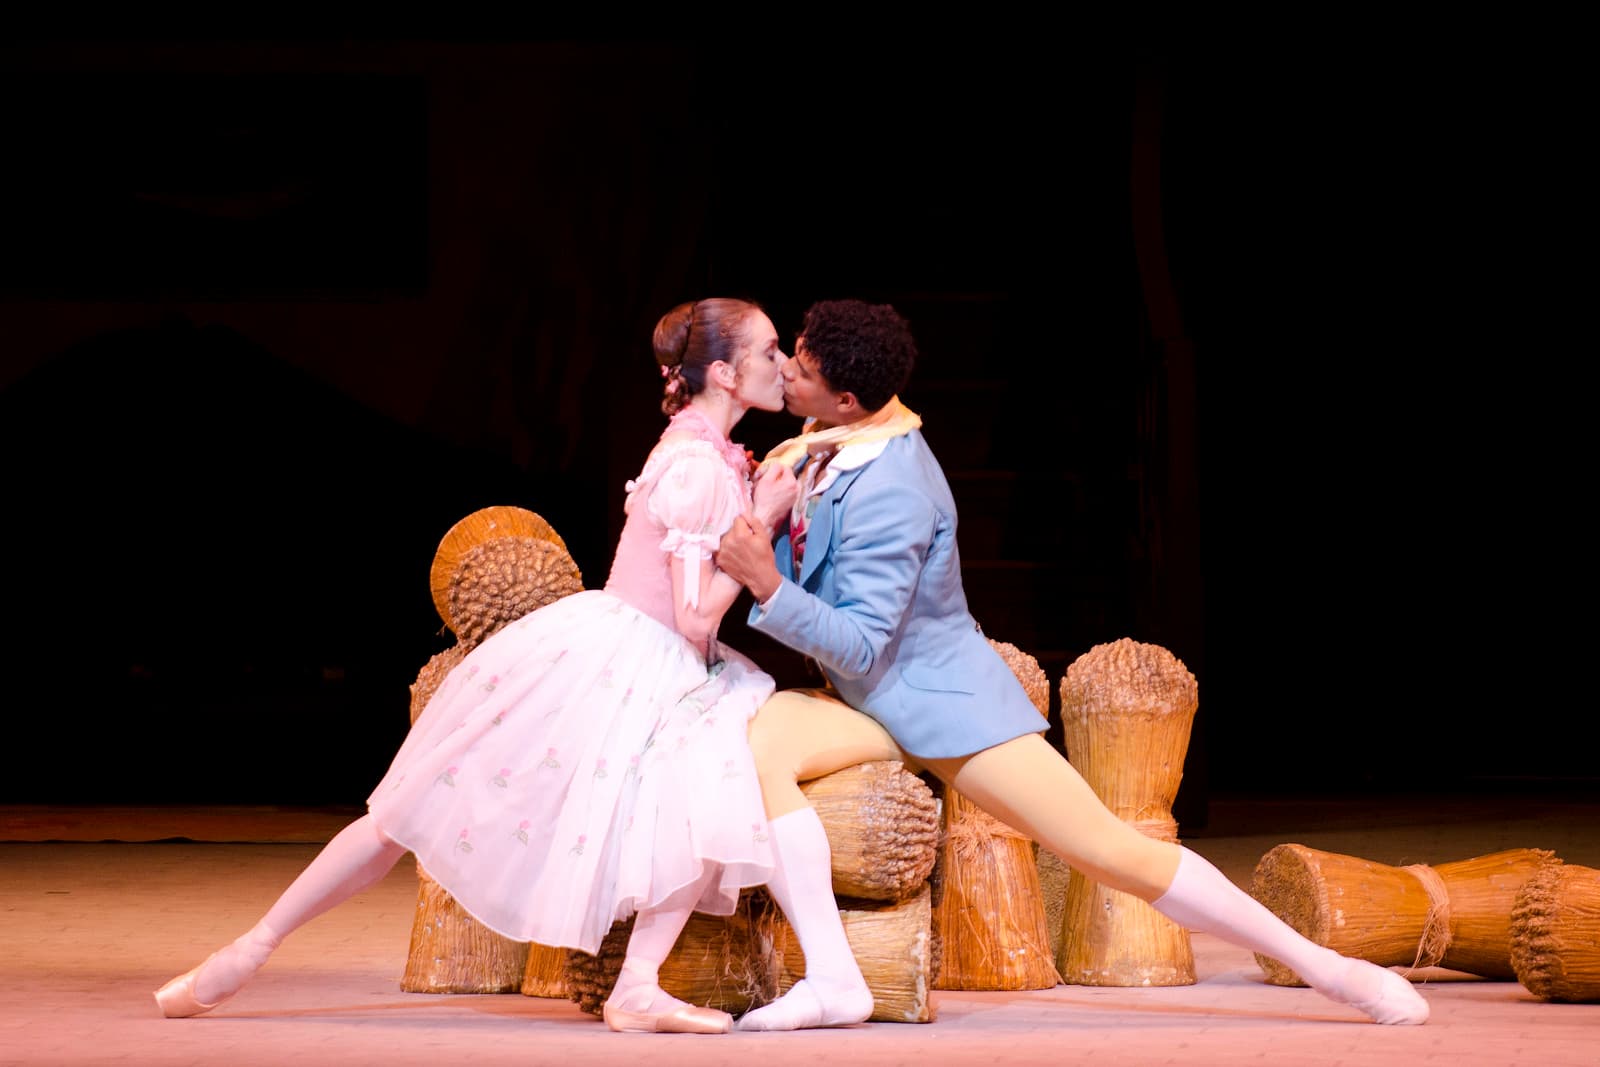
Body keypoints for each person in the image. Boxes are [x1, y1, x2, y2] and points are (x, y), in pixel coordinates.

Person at [714, 298, 1430, 1030]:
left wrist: (765, 581)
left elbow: (864, 641)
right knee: (755, 747)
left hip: (938, 704)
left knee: (1115, 852)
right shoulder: (823, 438)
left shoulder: (894, 483)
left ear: (847, 398)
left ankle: (1334, 972)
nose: (783, 370)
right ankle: (834, 977)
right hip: (864, 699)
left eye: (797, 365)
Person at [155, 297, 802, 1035]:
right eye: (770, 349)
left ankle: (635, 986)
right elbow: (693, 617)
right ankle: (251, 947)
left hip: (633, 650)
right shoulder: (699, 466)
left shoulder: (704, 448)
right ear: (723, 370)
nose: (781, 365)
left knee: (423, 808)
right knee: (415, 805)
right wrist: (764, 524)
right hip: (638, 657)